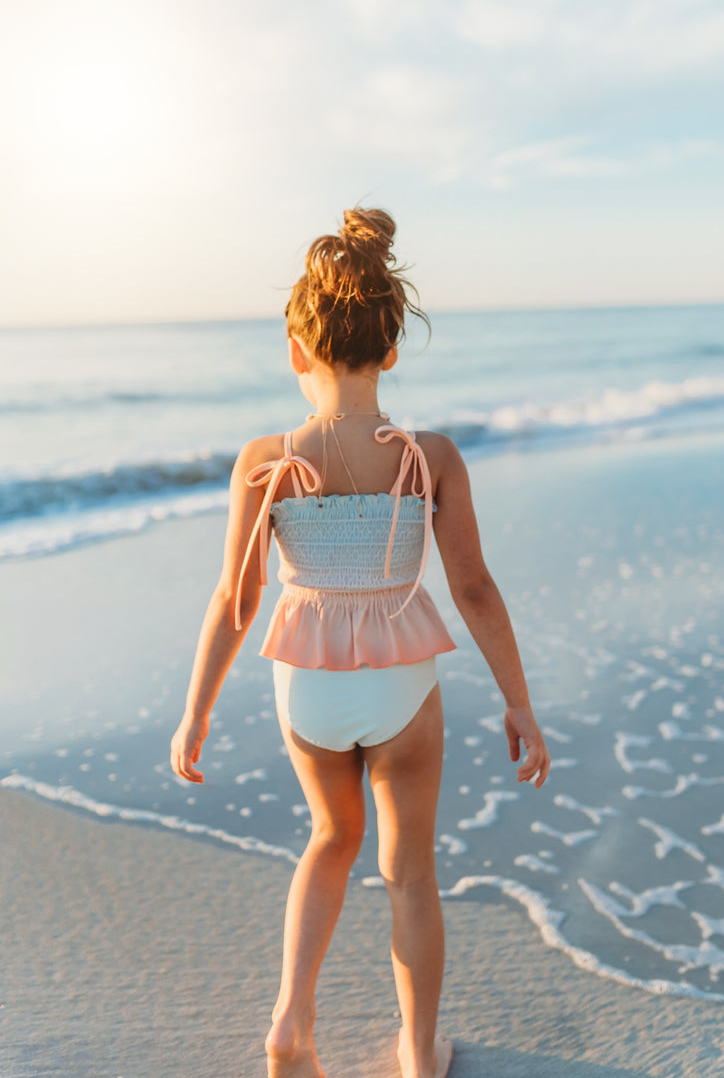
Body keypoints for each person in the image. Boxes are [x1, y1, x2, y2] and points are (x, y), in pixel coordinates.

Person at [170, 208, 550, 1078]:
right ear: (389, 349)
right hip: (401, 675)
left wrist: (195, 713)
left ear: (297, 350)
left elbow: (238, 596)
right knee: (408, 870)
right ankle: (418, 1053)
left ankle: (291, 1024)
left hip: (306, 679)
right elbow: (474, 588)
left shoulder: (267, 459)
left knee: (328, 838)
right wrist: (520, 705)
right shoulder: (431, 457)